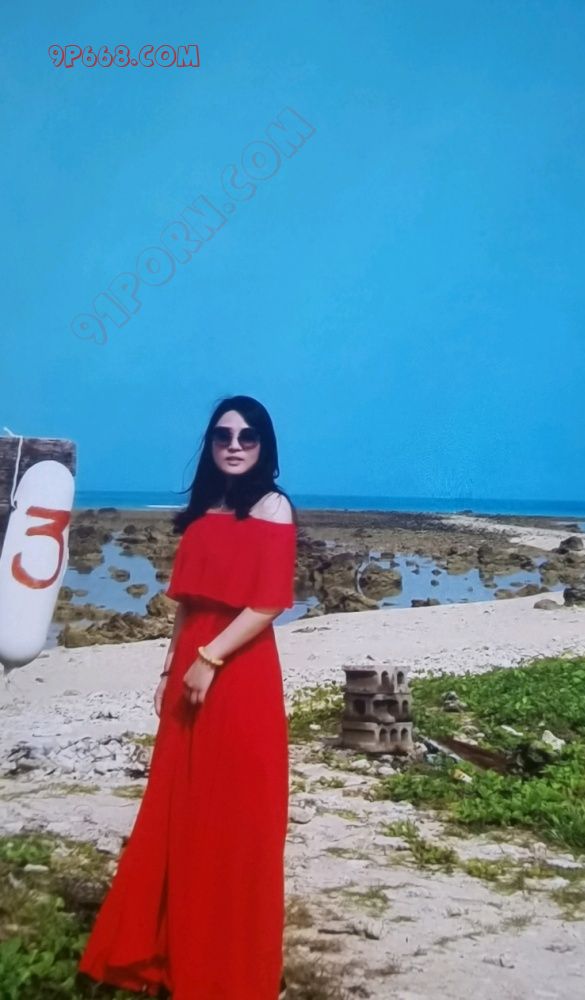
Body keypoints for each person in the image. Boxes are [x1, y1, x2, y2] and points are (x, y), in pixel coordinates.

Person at [77, 395, 298, 999]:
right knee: (182, 810)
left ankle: (227, 969)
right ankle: (173, 952)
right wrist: (169, 667)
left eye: (248, 436)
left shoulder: (273, 506)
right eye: (224, 435)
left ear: (264, 445)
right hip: (193, 667)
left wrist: (209, 659)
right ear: (210, 443)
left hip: (240, 671)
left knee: (236, 817)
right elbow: (188, 603)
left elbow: (269, 602)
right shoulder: (205, 510)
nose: (235, 445)